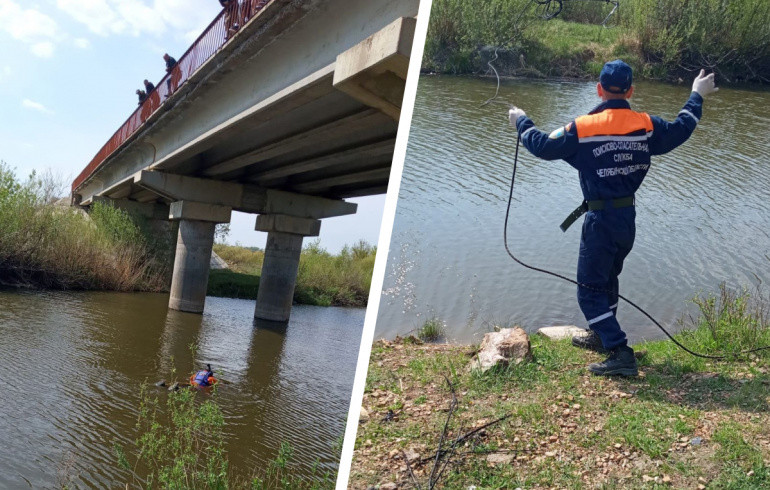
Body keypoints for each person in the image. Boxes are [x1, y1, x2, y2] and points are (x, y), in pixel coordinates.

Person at [508, 60, 718, 377]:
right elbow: (681, 129)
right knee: (607, 280)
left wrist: (521, 121)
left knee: (588, 289)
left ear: (599, 89)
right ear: (631, 90)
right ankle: (600, 336)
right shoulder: (646, 125)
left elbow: (541, 146)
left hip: (600, 221)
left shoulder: (583, 128)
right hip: (626, 219)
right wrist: (696, 94)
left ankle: (619, 351)